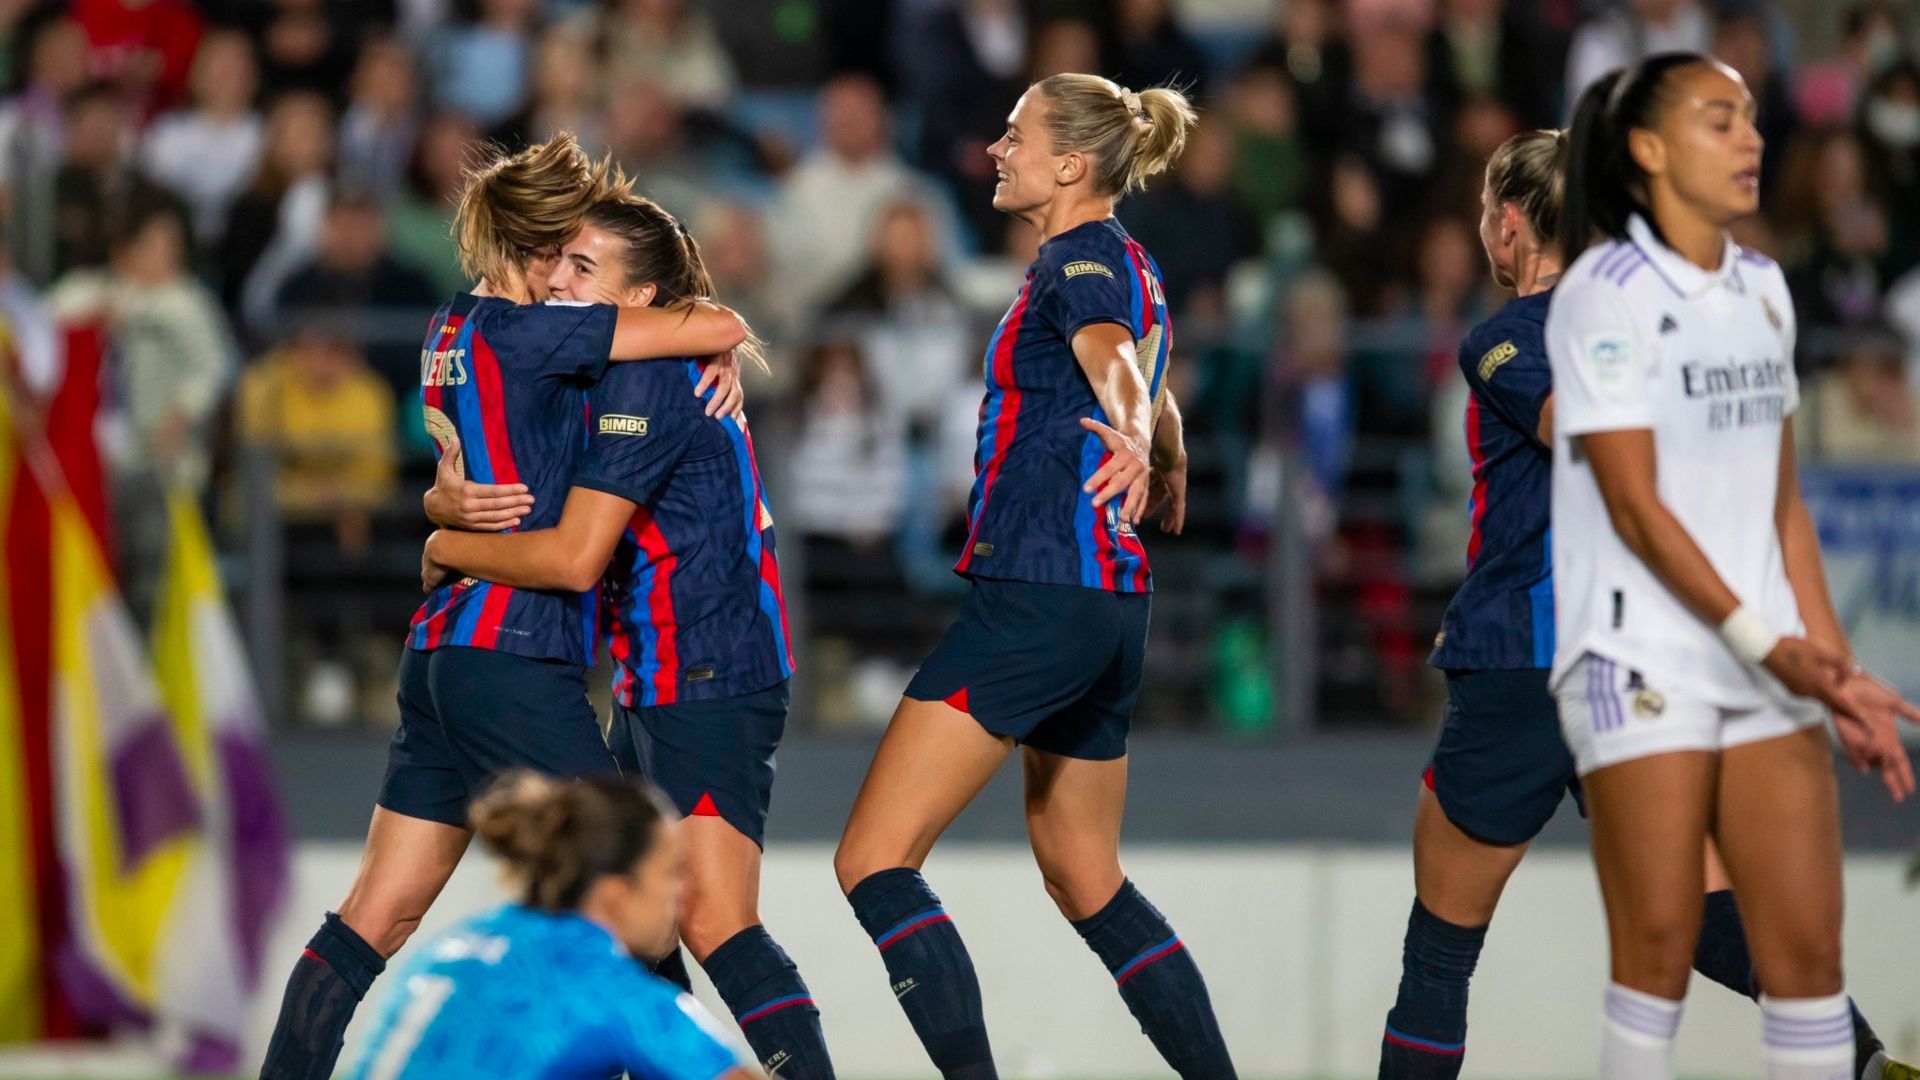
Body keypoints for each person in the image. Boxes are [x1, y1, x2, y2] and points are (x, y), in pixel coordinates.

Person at [1377, 128, 1920, 1080]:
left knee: (1439, 952)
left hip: (1526, 660)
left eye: (1485, 221)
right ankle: (1862, 1059)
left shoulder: (1509, 335)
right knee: (1710, 901)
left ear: (1510, 224)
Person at [257, 134, 751, 1080]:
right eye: (564, 251)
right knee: (636, 893)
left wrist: (441, 527)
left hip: (439, 659)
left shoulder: (450, 328)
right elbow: (716, 324)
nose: (572, 270)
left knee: (375, 916)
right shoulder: (533, 329)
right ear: (533, 250)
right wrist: (714, 347)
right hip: (513, 655)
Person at [830, 74, 1230, 1080]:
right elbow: (1151, 379)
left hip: (1040, 593)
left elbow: (1119, 372)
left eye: (1015, 135)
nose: (995, 151)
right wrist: (1167, 454)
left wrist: (1137, 437)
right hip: (1107, 605)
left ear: (1071, 165)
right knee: (1087, 875)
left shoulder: (1077, 259)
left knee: (872, 859)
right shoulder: (1131, 263)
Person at [1548, 54, 1918, 1080]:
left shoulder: (1763, 288)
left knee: (1803, 962)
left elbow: (1782, 502)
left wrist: (1833, 668)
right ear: (1649, 152)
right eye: (1720, 121)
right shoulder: (1601, 294)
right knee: (1661, 950)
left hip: (1768, 663)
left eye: (1753, 119)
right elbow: (1634, 504)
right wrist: (1769, 643)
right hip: (1639, 653)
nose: (1753, 139)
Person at [419, 194, 836, 1080]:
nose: (558, 282)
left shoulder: (643, 379)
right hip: (663, 671)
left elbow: (574, 559)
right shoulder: (635, 362)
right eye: (558, 262)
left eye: (583, 268)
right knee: (642, 914)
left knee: (712, 918)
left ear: (640, 299)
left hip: (711, 669)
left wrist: (440, 543)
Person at [342, 771, 759, 1080]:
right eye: (671, 873)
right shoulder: (606, 985)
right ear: (616, 894)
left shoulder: (454, 945)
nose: (682, 892)